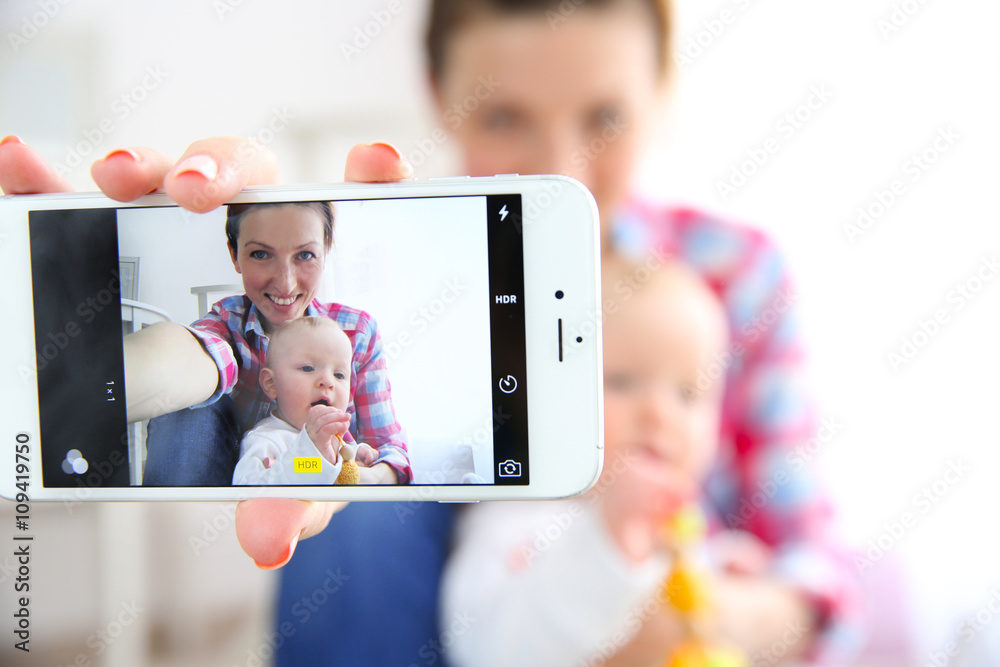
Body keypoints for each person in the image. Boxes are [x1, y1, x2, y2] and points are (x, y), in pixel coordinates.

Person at [0, 0, 862, 660]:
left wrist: (684, 606)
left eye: (605, 118)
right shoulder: (392, 273)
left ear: (663, 94)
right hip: (472, 586)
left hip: (676, 598)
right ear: (440, 100)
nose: (560, 165)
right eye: (504, 116)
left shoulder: (731, 276)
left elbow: (815, 574)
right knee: (363, 515)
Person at [442, 256, 735, 666]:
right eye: (620, 381)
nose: (660, 413)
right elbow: (490, 650)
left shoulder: (682, 528)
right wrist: (605, 544)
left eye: (687, 394)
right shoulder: (520, 516)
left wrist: (722, 566)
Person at [142, 199, 411, 487]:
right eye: (260, 254)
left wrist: (356, 471)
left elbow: (390, 453)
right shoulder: (227, 325)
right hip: (240, 497)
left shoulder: (357, 331)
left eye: (305, 255)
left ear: (326, 251)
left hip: (336, 507)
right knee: (188, 400)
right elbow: (195, 355)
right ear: (234, 255)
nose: (286, 284)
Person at [233, 316, 369, 485]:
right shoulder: (266, 440)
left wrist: (356, 453)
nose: (327, 381)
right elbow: (247, 489)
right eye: (307, 368)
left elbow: (343, 469)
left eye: (339, 375)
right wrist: (314, 455)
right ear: (271, 384)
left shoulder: (337, 439)